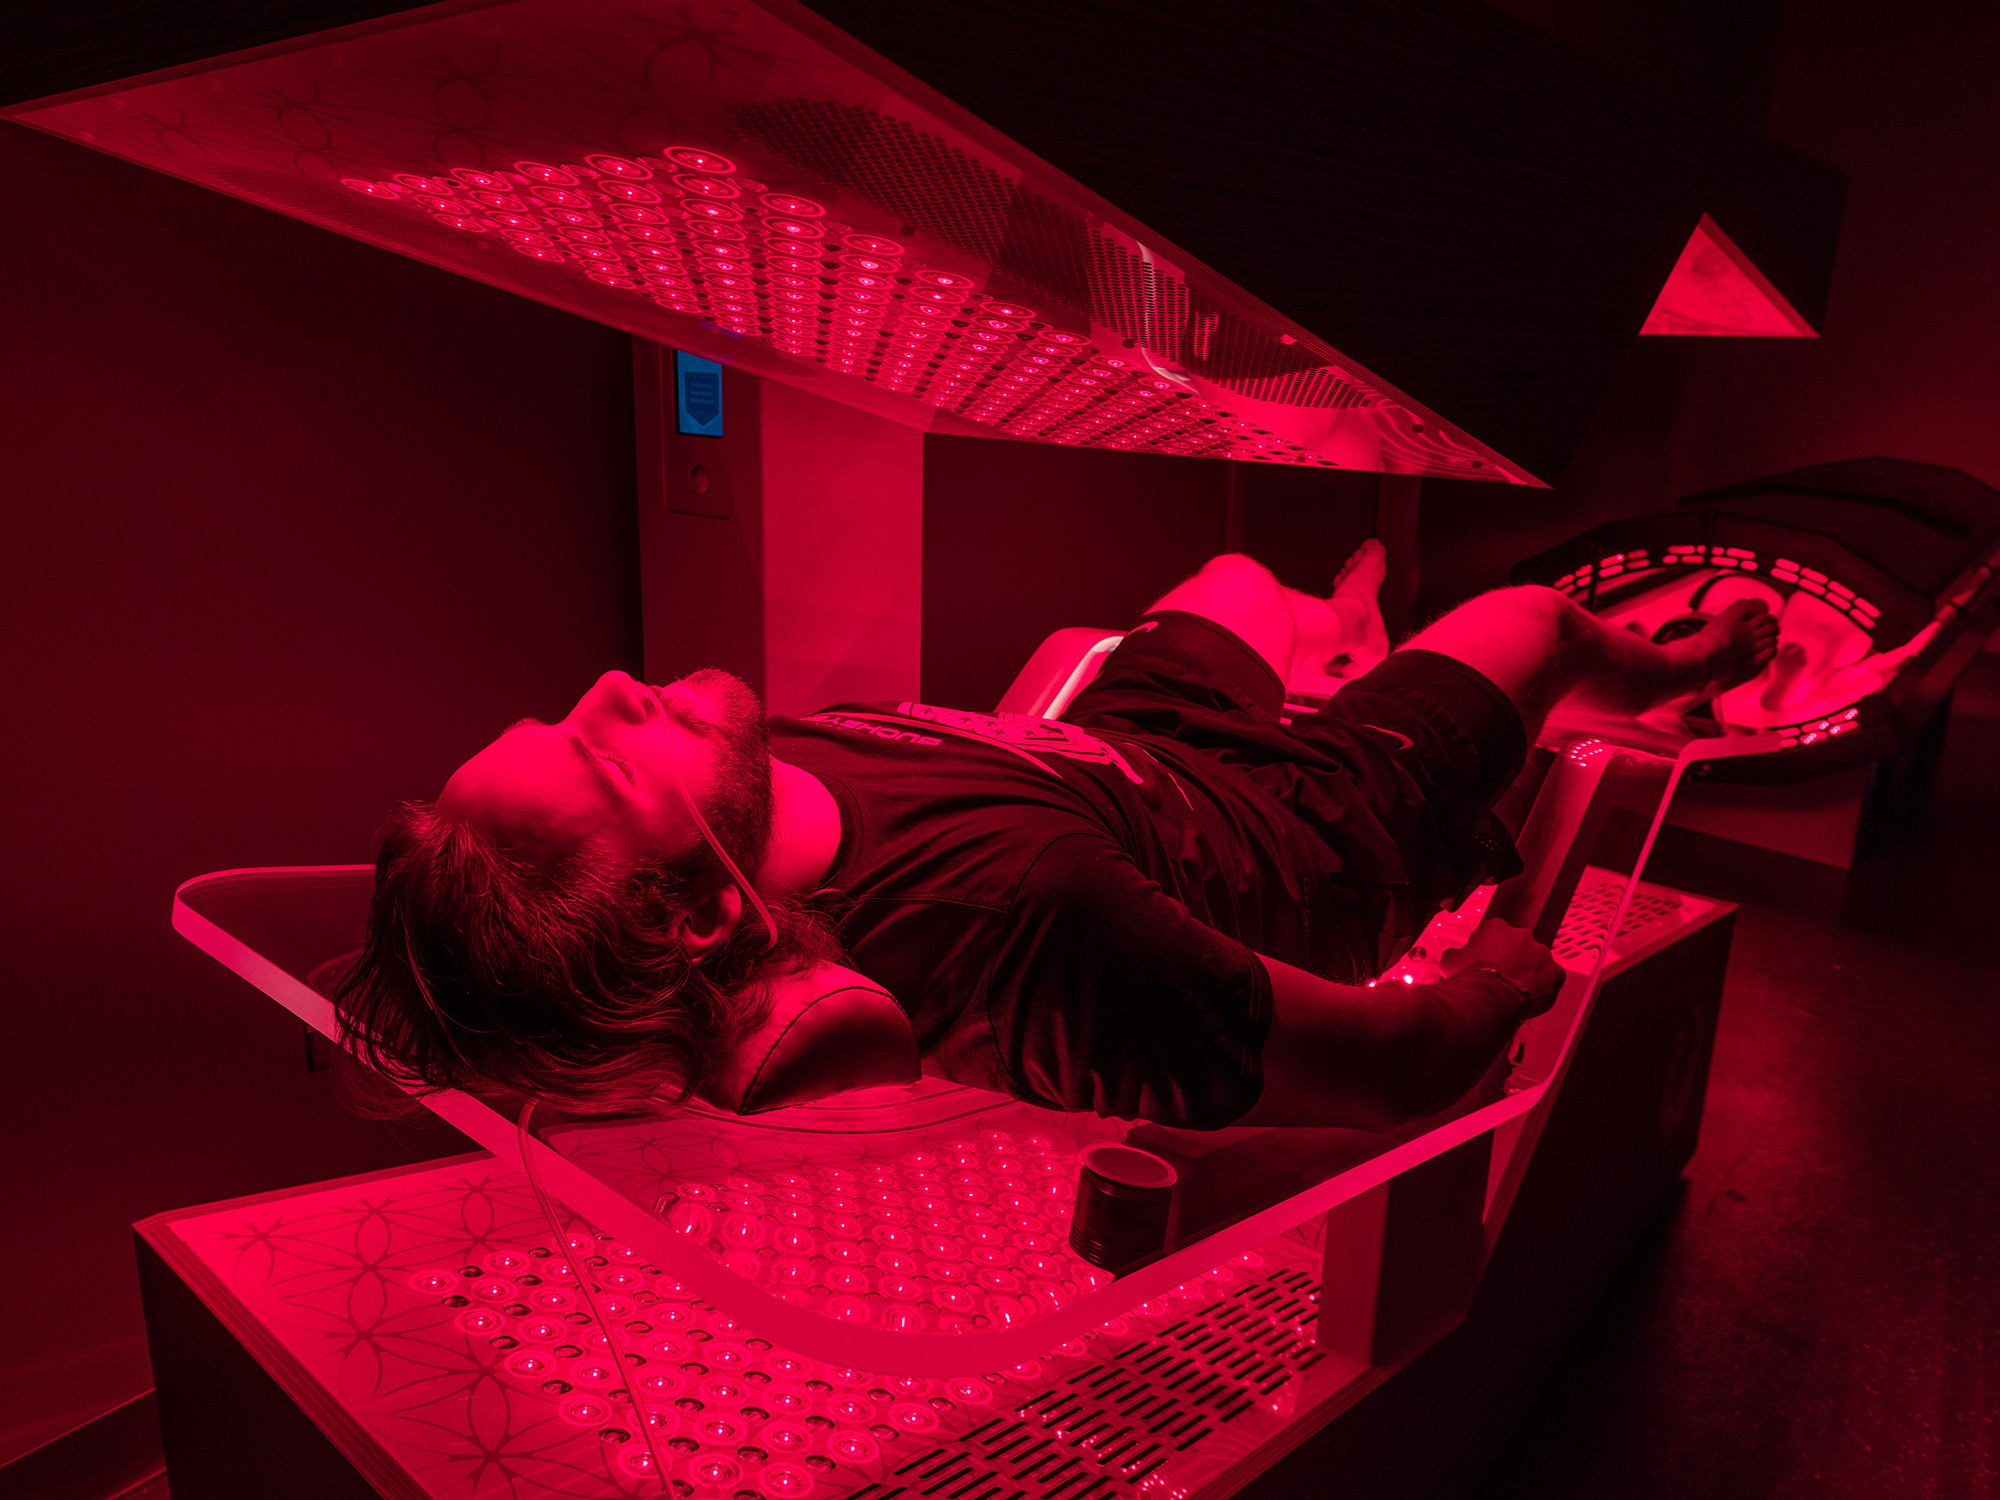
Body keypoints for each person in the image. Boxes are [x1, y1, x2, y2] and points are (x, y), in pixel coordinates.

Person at [336, 547, 1777, 1132]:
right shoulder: (1033, 919)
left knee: (1233, 581)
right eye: (606, 749)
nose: (605, 687)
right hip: (1308, 829)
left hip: (1133, 750)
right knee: (1524, 618)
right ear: (707, 915)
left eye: (564, 714)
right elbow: (1395, 1069)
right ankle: (1667, 669)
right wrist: (1520, 975)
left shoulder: (758, 786)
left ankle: (1339, 640)